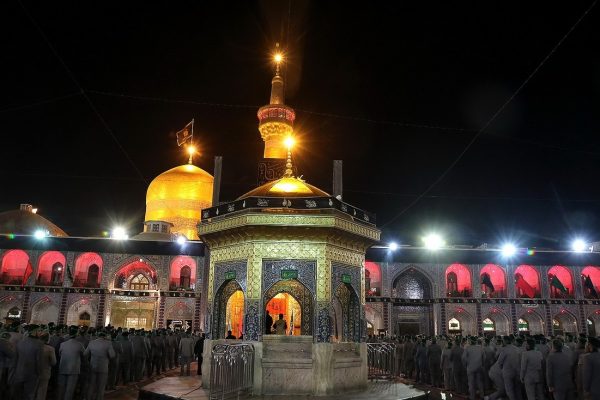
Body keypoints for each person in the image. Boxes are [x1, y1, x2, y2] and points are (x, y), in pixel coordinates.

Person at [12, 324, 43, 400]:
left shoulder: (20, 342)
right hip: (31, 373)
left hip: (19, 372)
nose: (40, 333)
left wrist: (14, 371)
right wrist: (39, 373)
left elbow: (15, 358)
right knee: (29, 395)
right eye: (39, 331)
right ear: (34, 331)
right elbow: (38, 361)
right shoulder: (39, 344)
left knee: (17, 394)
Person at [84, 330, 115, 400]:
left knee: (91, 385)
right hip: (103, 367)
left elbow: (85, 354)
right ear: (105, 336)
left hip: (92, 366)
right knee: (101, 386)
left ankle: (89, 398)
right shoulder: (108, 343)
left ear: (98, 335)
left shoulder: (92, 342)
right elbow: (112, 355)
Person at [57, 327, 85, 400]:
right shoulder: (79, 344)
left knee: (61, 388)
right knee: (70, 389)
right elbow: (84, 355)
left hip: (63, 367)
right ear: (77, 335)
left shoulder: (63, 344)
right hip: (74, 369)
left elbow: (60, 354)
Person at [37, 331, 57, 400]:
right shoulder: (50, 349)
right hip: (45, 372)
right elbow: (53, 362)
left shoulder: (35, 346)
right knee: (42, 392)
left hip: (34, 371)